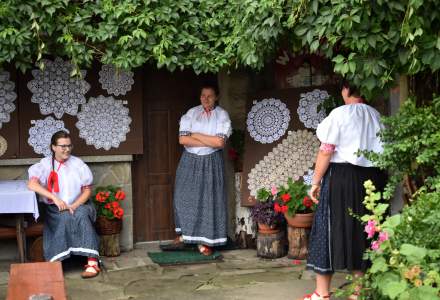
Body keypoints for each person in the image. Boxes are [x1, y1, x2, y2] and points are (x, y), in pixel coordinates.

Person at [303, 81, 387, 300]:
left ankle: (321, 294)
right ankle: (357, 293)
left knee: (327, 228)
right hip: (372, 178)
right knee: (363, 230)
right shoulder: (375, 115)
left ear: (346, 91)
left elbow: (326, 151)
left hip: (341, 178)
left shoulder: (340, 114)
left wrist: (315, 182)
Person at [27, 130, 100, 278]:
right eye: (62, 146)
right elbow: (32, 185)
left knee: (81, 215)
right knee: (64, 218)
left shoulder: (78, 164)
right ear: (53, 147)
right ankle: (57, 261)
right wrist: (54, 198)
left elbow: (87, 190)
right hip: (55, 208)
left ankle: (92, 263)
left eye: (69, 146)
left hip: (79, 204)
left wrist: (75, 205)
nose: (67, 149)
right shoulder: (45, 165)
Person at [172, 83, 232, 256]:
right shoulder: (192, 113)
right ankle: (186, 234)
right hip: (189, 160)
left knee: (208, 200)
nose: (205, 99)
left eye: (210, 96)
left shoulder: (222, 115)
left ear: (217, 97)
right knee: (183, 196)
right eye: (203, 96)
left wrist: (195, 134)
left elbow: (220, 143)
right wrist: (208, 139)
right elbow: (182, 139)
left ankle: (205, 241)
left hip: (211, 161)